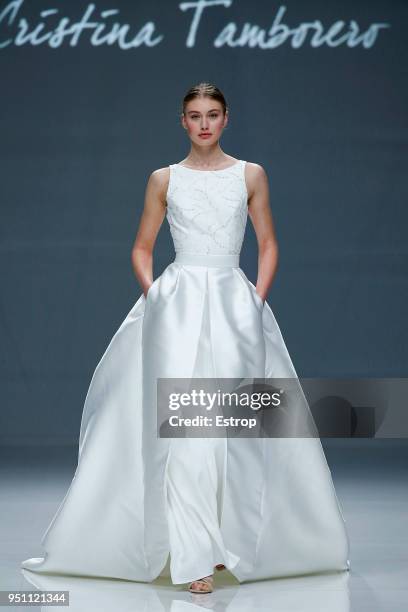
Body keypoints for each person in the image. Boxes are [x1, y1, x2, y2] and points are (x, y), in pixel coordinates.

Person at [21, 82, 350, 595]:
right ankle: (194, 555)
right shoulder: (163, 179)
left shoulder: (250, 175)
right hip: (176, 304)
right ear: (182, 121)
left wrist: (256, 300)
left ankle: (222, 545)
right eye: (194, 115)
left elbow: (268, 244)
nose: (203, 124)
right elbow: (140, 248)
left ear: (226, 119)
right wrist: (156, 296)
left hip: (234, 303)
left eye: (212, 114)